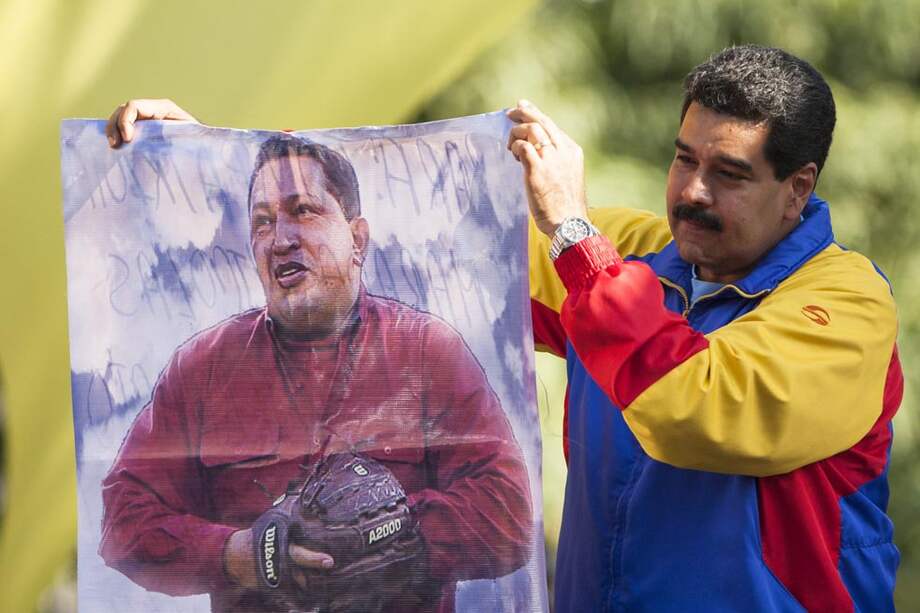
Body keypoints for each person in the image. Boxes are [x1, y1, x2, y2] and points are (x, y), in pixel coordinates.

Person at [507, 45, 902, 611]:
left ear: (798, 188)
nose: (693, 191)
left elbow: (696, 404)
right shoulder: (633, 256)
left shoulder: (849, 302)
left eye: (729, 174)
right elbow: (458, 269)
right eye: (685, 160)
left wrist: (574, 236)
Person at [99, 131, 532, 612]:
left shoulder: (430, 352)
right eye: (262, 222)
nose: (281, 239)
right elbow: (123, 521)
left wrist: (390, 533)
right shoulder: (201, 367)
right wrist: (237, 554)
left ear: (358, 238)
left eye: (303, 210)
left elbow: (509, 513)